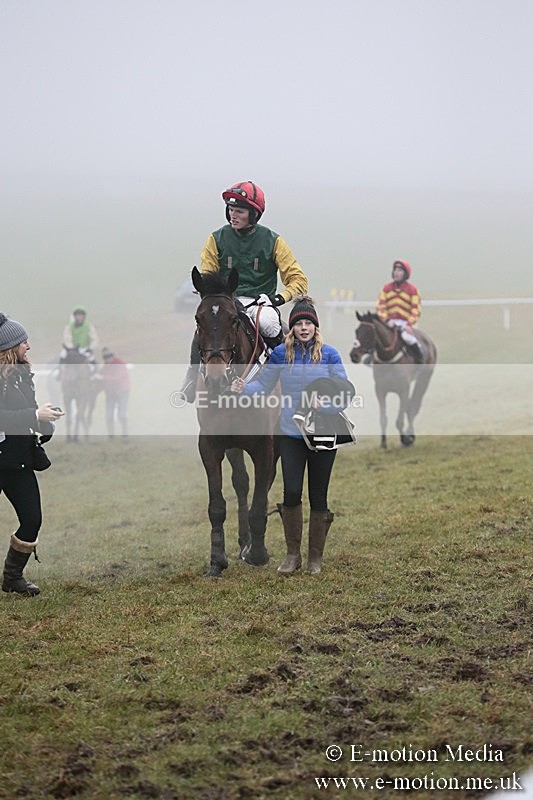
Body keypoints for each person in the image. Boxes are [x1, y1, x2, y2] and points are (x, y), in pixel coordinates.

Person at [231, 297, 352, 575]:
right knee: (292, 492)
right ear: (293, 328)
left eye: (308, 323)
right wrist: (242, 388)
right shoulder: (280, 355)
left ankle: (315, 558)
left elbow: (345, 393)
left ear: (315, 326)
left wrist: (327, 405)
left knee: (318, 496)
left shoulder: (330, 354)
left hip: (322, 433)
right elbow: (263, 387)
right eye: (299, 323)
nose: (304, 328)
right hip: (290, 433)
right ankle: (292, 555)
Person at [180, 180, 309, 402]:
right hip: (227, 300)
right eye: (231, 209)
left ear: (254, 214)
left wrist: (278, 299)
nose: (233, 215)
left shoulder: (273, 241)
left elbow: (298, 280)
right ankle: (191, 379)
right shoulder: (216, 239)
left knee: (270, 324)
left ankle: (289, 381)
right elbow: (208, 276)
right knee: (203, 326)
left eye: (239, 211)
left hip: (261, 304)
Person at [0, 312, 64, 596]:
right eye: (23, 341)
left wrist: (45, 423)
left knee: (32, 519)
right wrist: (34, 414)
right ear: (9, 347)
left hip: (17, 462)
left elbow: (28, 413)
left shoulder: (22, 375)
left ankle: (12, 578)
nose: (28, 345)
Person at [376, 260, 424, 363]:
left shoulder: (413, 290)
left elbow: (416, 309)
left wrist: (409, 324)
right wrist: (386, 320)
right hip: (389, 322)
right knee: (377, 334)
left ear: (405, 274)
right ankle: (370, 356)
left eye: (400, 270)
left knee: (407, 338)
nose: (396, 273)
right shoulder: (386, 288)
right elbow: (380, 306)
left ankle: (420, 358)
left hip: (406, 323)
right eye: (395, 270)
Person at [101, 347, 131, 438]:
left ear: (112, 356)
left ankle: (125, 432)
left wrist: (103, 378)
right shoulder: (105, 366)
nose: (107, 359)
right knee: (109, 416)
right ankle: (111, 435)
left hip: (123, 391)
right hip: (111, 393)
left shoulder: (120, 364)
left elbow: (117, 378)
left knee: (121, 415)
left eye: (109, 357)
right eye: (105, 358)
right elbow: (101, 376)